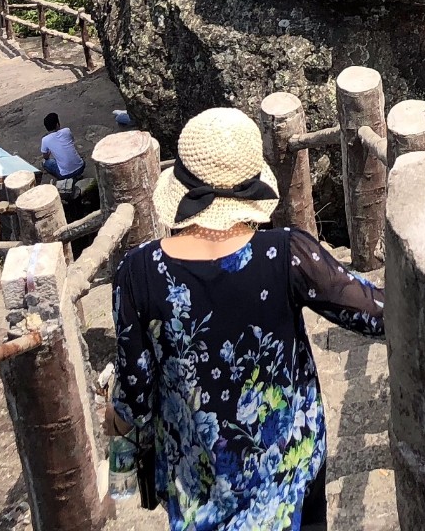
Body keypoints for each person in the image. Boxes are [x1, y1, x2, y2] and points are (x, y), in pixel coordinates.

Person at [111, 107, 383, 529]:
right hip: (288, 473)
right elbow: (373, 312)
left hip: (196, 480)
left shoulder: (137, 272)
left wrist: (117, 424)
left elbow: (135, 393)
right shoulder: (286, 254)